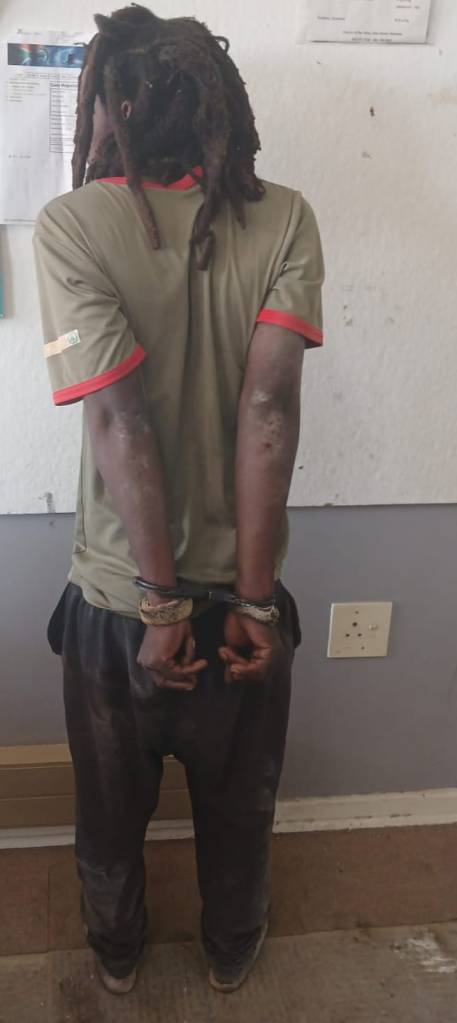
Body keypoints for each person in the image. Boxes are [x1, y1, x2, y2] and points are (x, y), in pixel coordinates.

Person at [33, 3, 324, 998]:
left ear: (111, 107)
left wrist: (158, 606)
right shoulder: (285, 217)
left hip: (121, 606)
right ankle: (231, 947)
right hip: (243, 603)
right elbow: (269, 408)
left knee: (109, 813)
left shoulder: (72, 225)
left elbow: (119, 420)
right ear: (217, 108)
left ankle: (116, 953)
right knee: (240, 811)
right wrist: (252, 602)